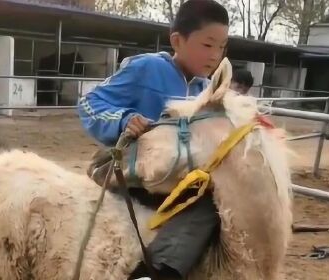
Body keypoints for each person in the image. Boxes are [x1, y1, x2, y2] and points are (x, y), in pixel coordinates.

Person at [77, 1, 229, 279]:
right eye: (208, 45)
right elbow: (89, 102)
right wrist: (123, 120)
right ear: (177, 41)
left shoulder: (206, 91)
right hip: (133, 174)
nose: (215, 55)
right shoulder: (146, 68)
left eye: (222, 47)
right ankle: (155, 272)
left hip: (176, 181)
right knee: (203, 207)